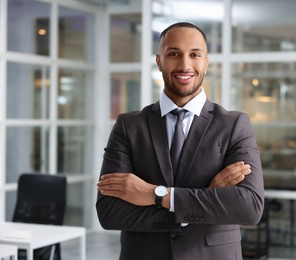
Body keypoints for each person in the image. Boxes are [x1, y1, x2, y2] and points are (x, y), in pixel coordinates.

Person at [96, 22, 264, 260]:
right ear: (159, 61)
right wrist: (207, 197)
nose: (185, 65)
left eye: (194, 54)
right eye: (174, 54)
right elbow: (109, 212)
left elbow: (249, 208)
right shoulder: (129, 126)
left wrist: (156, 194)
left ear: (205, 62)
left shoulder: (234, 124)